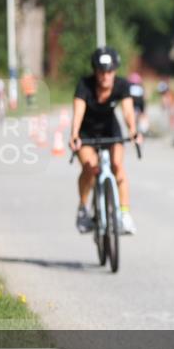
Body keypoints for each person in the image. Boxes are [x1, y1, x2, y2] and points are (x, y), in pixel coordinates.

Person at [69, 47, 143, 235]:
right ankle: (83, 209)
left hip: (111, 130)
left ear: (115, 71)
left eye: (109, 71)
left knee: (117, 165)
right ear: (95, 71)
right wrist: (74, 134)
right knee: (90, 166)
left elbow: (127, 112)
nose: (105, 76)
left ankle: (125, 215)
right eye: (101, 71)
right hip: (86, 133)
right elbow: (78, 112)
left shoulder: (122, 85)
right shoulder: (84, 85)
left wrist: (134, 131)